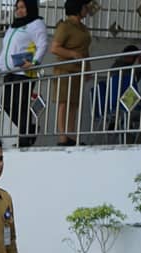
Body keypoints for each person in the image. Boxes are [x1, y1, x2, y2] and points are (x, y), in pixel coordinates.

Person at [0, 0, 48, 148]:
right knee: (8, 105)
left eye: (23, 7)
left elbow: (43, 44)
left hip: (25, 72)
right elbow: (5, 51)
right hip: (10, 71)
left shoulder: (35, 24)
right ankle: (28, 131)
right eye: (17, 8)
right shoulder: (13, 27)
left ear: (30, 8)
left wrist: (34, 62)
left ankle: (25, 137)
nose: (19, 10)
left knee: (20, 105)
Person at [50, 0, 92, 146]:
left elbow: (86, 51)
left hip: (78, 71)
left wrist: (87, 69)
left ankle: (71, 133)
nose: (87, 9)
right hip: (65, 70)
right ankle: (63, 135)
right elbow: (55, 48)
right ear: (78, 8)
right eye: (85, 6)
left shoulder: (83, 28)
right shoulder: (65, 26)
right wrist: (72, 54)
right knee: (64, 102)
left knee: (74, 103)